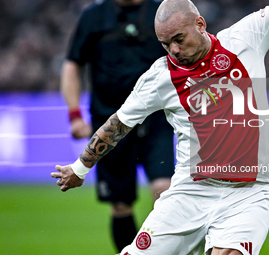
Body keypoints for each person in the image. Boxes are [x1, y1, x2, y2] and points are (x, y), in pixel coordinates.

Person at [52, 0, 269, 254]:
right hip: (190, 193)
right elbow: (119, 123)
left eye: (179, 39)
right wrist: (80, 167)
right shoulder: (160, 77)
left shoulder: (245, 38)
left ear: (200, 24)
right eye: (165, 44)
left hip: (248, 194)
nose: (173, 50)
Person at [59, 0, 174, 252]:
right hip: (110, 123)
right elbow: (72, 64)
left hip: (157, 120)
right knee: (120, 204)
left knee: (164, 193)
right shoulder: (93, 17)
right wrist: (75, 114)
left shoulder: (162, 12)